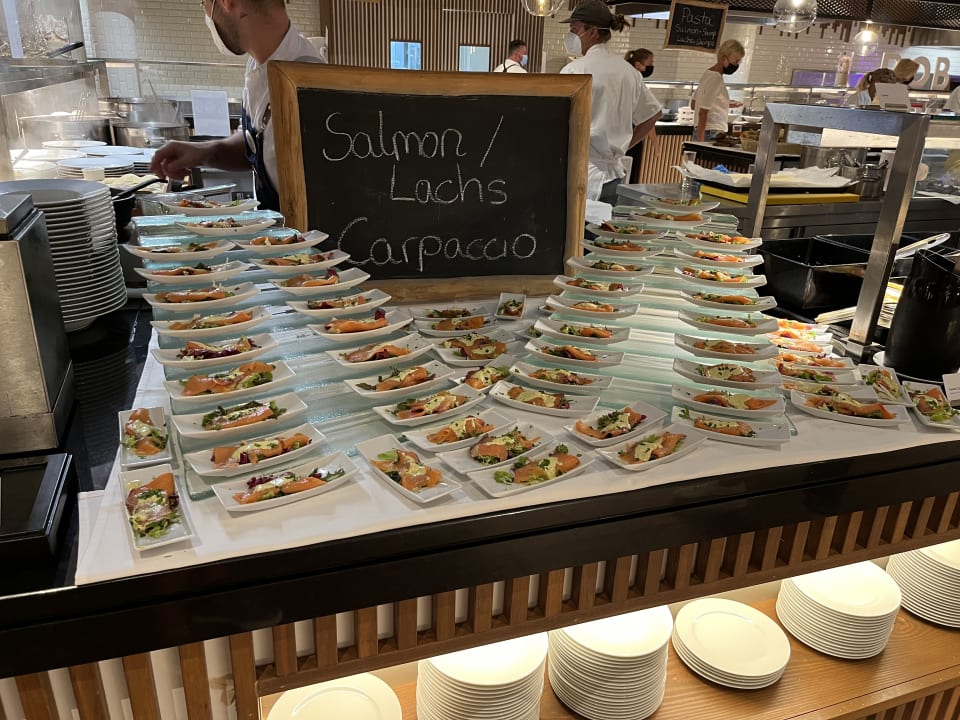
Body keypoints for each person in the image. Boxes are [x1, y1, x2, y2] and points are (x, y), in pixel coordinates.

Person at [150, 0, 323, 212]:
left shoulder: (308, 86)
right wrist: (204, 152)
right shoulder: (259, 65)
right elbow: (258, 144)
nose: (207, 15)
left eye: (204, 3)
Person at [559, 0, 661, 205]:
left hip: (580, 174)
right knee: (606, 225)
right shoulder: (629, 72)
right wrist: (625, 145)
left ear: (593, 32)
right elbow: (653, 114)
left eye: (575, 29)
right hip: (614, 175)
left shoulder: (575, 70)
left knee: (578, 226)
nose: (570, 35)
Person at [692, 39, 745, 142]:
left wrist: (725, 104)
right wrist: (700, 143)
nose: (736, 65)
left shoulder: (708, 74)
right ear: (723, 59)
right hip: (710, 133)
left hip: (707, 131)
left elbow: (694, 104)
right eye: (735, 61)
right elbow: (703, 112)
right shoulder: (716, 78)